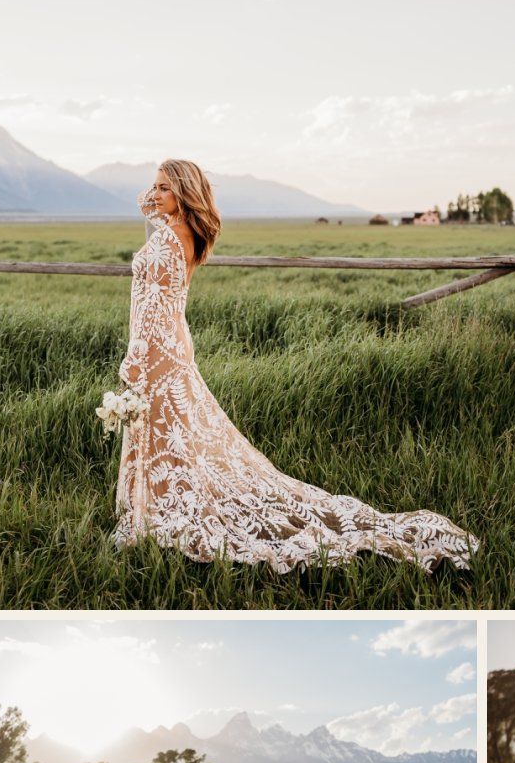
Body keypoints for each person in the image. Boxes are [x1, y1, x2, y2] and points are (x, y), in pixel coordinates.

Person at [114, 159, 479, 574]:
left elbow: (151, 310)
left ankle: (164, 515)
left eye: (164, 188)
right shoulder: (188, 236)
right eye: (154, 186)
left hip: (160, 348)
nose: (154, 194)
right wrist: (161, 199)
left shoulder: (165, 240)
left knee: (167, 436)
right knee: (176, 437)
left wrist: (136, 357)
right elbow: (159, 276)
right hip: (177, 346)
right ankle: (165, 507)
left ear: (183, 193)